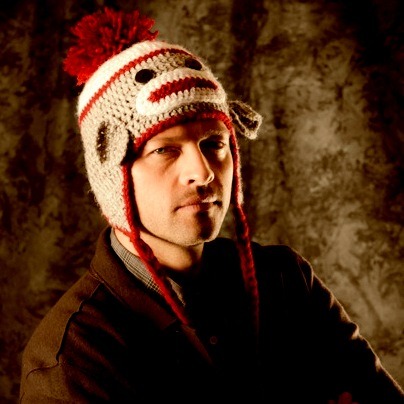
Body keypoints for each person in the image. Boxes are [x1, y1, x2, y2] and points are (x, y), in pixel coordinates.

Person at [19, 7, 404, 404]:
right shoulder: (75, 358)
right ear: (112, 173)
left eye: (214, 144)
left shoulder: (287, 282)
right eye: (165, 150)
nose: (203, 173)